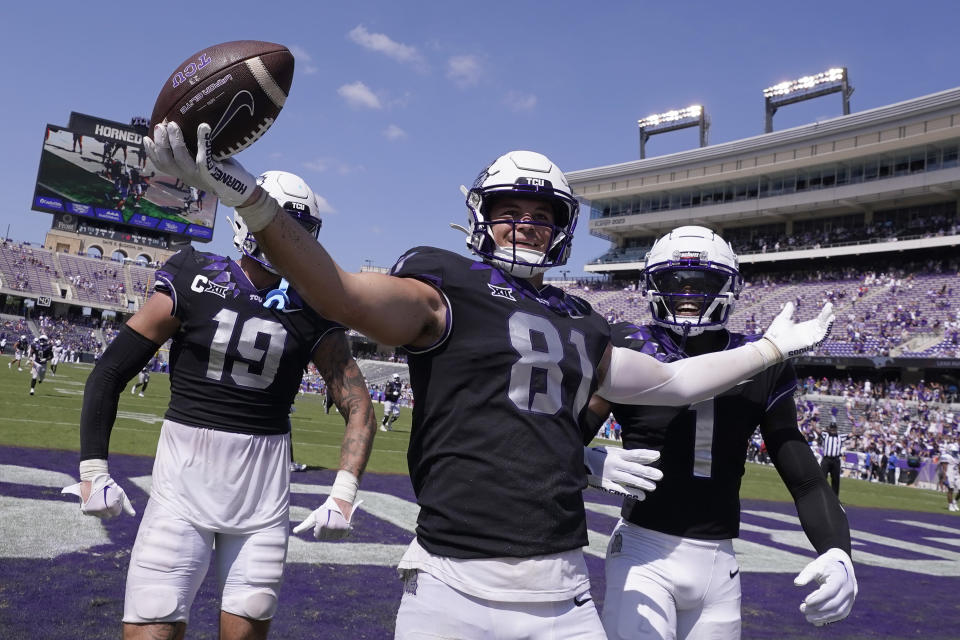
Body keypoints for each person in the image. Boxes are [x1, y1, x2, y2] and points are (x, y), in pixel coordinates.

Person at [146, 121, 834, 639]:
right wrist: (257, 204)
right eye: (510, 211)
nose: (526, 226)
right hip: (453, 585)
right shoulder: (444, 281)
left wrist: (769, 348)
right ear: (480, 213)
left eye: (542, 218)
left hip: (562, 592)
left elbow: (675, 385)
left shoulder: (580, 319)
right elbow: (341, 297)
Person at [62, 169, 378, 640]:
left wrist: (344, 494)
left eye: (292, 227)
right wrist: (92, 471)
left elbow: (358, 406)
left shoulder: (314, 304)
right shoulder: (194, 274)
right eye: (273, 222)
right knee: (152, 625)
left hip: (263, 495)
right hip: (181, 486)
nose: (280, 237)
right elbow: (110, 370)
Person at [585, 226, 856, 639]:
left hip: (719, 560)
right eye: (674, 281)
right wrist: (582, 460)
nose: (688, 292)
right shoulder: (627, 344)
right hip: (642, 551)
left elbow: (803, 475)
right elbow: (559, 437)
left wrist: (837, 550)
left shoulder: (766, 360)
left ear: (729, 287)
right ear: (651, 285)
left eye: (702, 282)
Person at [818, 421, 849, 496]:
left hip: (835, 460)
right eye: (831, 428)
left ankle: (835, 497)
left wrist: (853, 422)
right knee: (822, 477)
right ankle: (821, 494)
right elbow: (817, 430)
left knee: (835, 479)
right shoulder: (825, 435)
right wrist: (813, 422)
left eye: (834, 428)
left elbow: (852, 434)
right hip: (826, 459)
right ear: (829, 428)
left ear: (836, 429)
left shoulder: (840, 436)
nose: (832, 430)